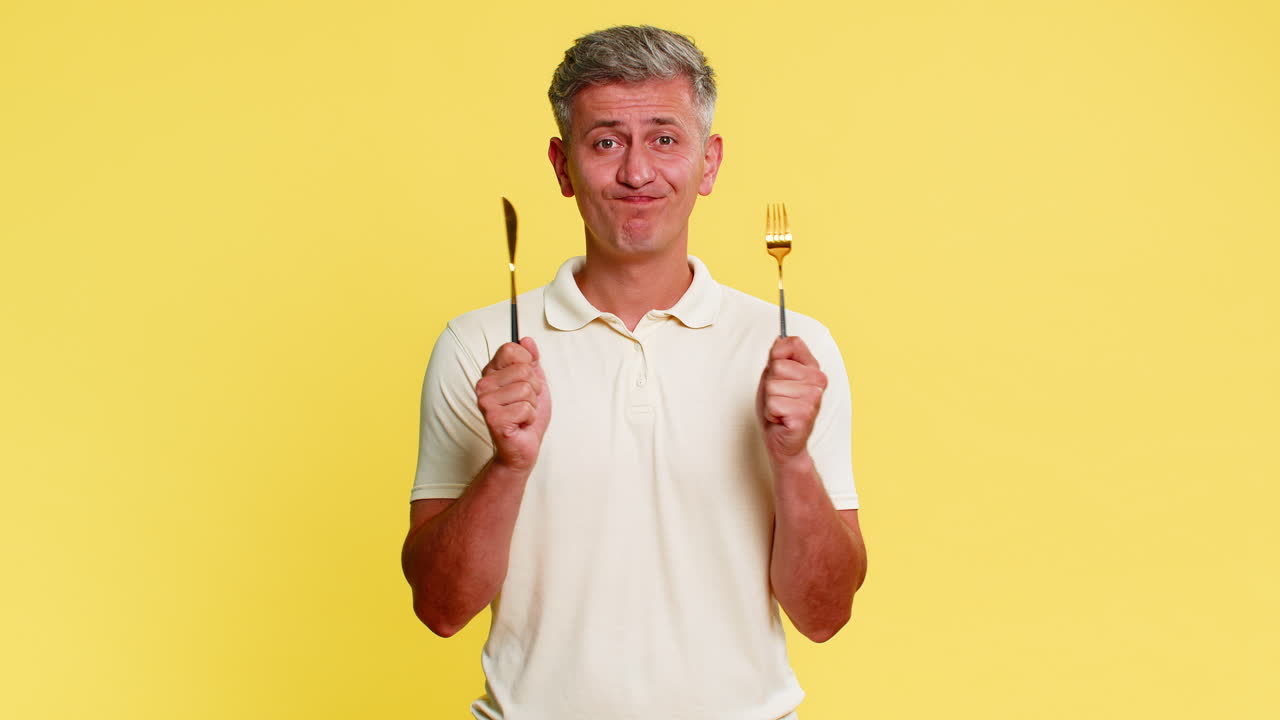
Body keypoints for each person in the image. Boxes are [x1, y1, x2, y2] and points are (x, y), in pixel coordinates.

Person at [401, 25, 867, 720]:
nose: (637, 172)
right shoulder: (480, 349)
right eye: (607, 141)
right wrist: (506, 463)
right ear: (563, 166)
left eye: (665, 139)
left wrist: (792, 459)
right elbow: (440, 609)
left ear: (708, 164)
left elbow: (825, 615)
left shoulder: (793, 348)